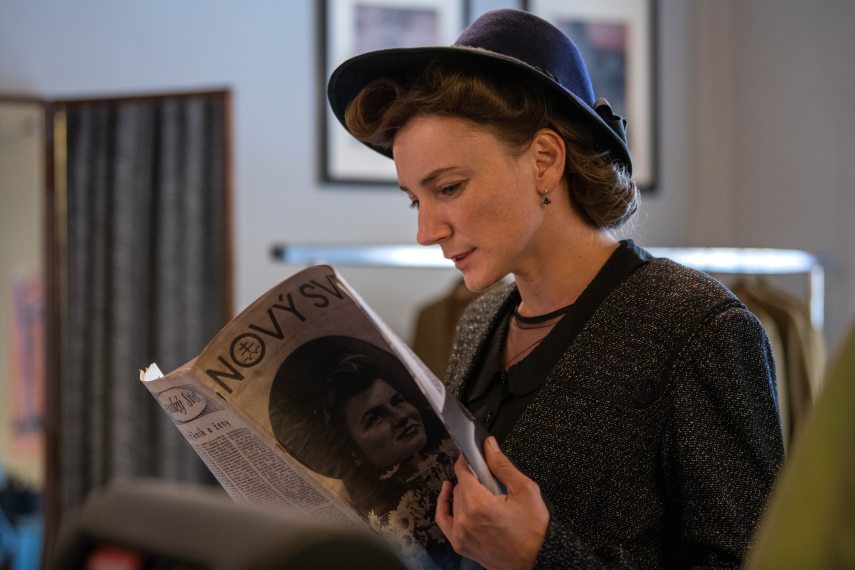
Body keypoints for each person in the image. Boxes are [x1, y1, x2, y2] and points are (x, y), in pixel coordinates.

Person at [326, 8, 785, 569]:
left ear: (544, 160)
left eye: (448, 188)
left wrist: (539, 556)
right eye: (415, 201)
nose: (426, 231)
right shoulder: (480, 323)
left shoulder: (696, 328)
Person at [268, 336, 458, 566]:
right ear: (353, 451)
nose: (400, 416)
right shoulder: (380, 528)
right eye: (375, 418)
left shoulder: (461, 464)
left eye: (398, 401)